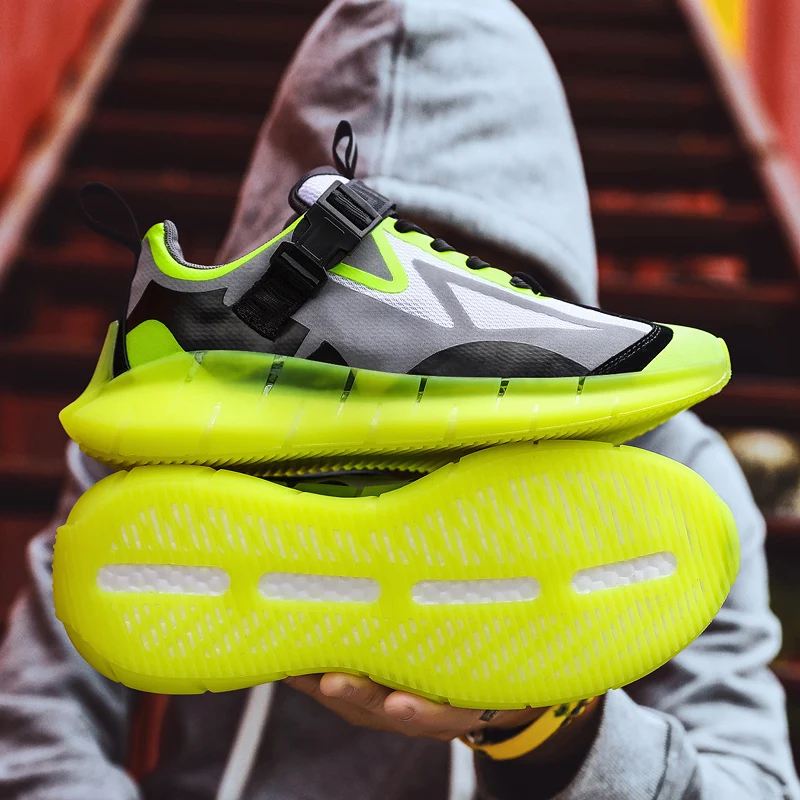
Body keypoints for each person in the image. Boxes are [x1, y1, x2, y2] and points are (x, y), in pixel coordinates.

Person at [1, 1, 798, 798]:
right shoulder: (169, 433)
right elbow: (37, 732)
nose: (390, 374)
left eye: (457, 267)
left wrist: (551, 730)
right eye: (345, 294)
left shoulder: (669, 468)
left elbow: (755, 785)